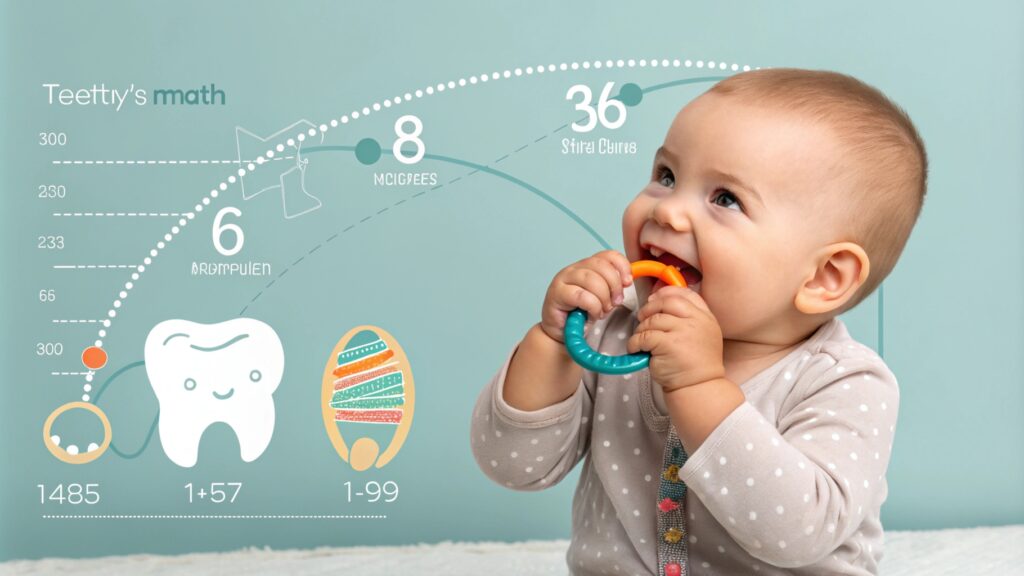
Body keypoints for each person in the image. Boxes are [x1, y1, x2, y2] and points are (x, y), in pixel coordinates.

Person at [470, 67, 928, 575]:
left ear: (823, 276)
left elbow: (798, 533)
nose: (668, 212)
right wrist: (554, 340)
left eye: (725, 199)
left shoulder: (844, 382)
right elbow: (515, 467)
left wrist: (699, 383)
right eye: (666, 176)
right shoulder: (611, 337)